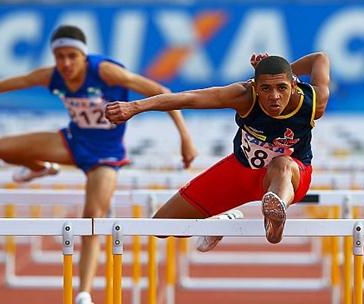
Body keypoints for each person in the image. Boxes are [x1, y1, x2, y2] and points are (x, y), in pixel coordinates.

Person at [0, 25, 198, 304]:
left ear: (84, 57)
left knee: (93, 217)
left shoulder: (107, 72)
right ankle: (42, 167)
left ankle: (83, 294)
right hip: (71, 143)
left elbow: (161, 93)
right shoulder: (51, 76)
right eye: (59, 56)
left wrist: (184, 137)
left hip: (106, 154)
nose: (65, 64)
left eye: (72, 56)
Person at [106, 52, 330, 248]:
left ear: (293, 84)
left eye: (282, 87)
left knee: (281, 164)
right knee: (161, 226)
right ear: (255, 87)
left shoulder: (314, 103)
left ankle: (275, 214)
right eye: (266, 88)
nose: (274, 97)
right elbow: (190, 98)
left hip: (291, 176)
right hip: (241, 170)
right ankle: (223, 221)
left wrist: (278, 66)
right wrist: (134, 107)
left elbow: (320, 58)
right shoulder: (243, 95)